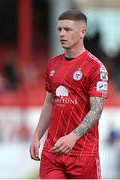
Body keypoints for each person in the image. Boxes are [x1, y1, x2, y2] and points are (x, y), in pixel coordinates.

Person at [29, 10, 108, 179]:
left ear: (82, 32)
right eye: (59, 29)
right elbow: (49, 103)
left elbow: (96, 111)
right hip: (53, 152)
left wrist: (73, 137)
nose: (62, 34)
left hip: (83, 154)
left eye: (67, 29)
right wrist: (37, 136)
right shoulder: (53, 64)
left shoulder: (96, 67)